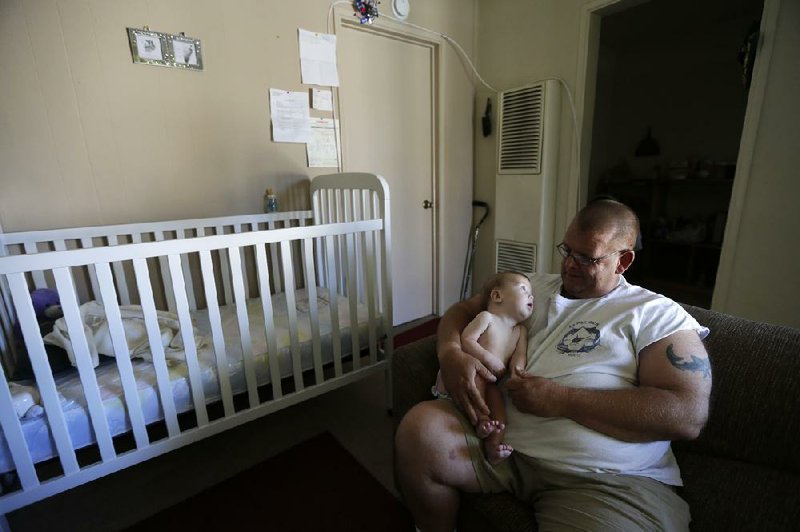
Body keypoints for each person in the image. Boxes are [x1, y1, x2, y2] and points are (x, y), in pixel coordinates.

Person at [394, 199, 712, 532]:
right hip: (500, 450)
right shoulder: (530, 288)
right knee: (419, 431)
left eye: (586, 257)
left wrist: (561, 399)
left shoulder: (657, 313)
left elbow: (687, 414)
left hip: (603, 482)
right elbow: (462, 311)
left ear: (623, 260)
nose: (570, 265)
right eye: (567, 250)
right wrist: (450, 353)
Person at [431, 271, 533, 464]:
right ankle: (481, 421)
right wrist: (488, 359)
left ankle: (493, 446)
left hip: (492, 383)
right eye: (523, 289)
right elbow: (467, 340)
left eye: (531, 293)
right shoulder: (487, 318)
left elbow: (520, 356)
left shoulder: (520, 331)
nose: (531, 296)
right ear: (497, 296)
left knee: (499, 408)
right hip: (469, 371)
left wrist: (518, 372)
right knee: (477, 383)